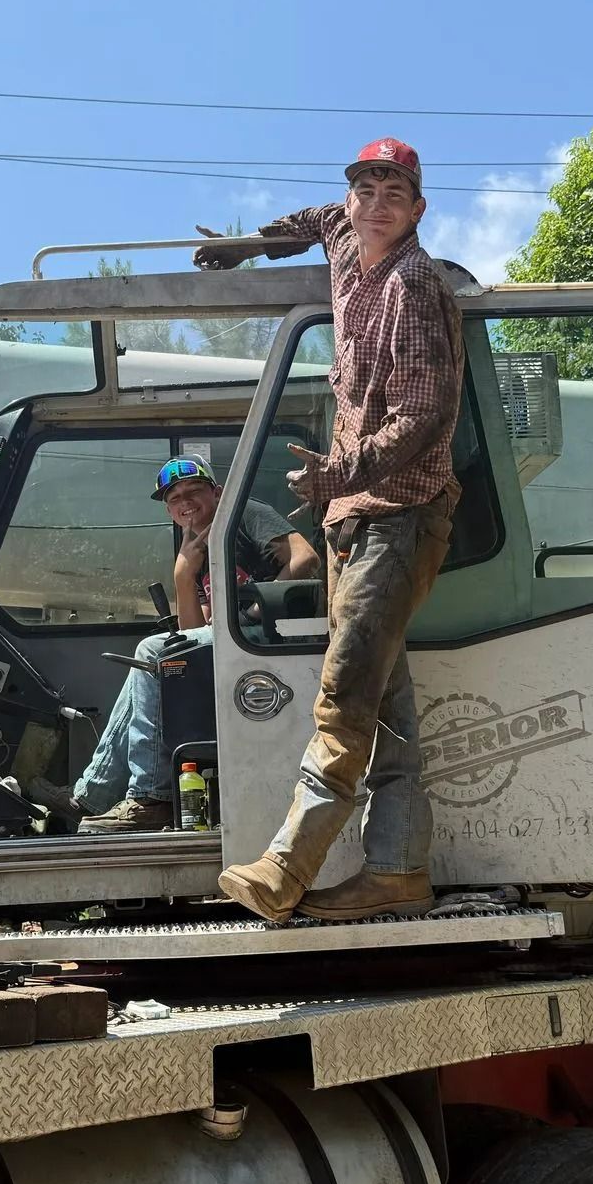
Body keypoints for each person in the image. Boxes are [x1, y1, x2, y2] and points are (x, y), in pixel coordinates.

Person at [195, 138, 465, 923]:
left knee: (345, 698)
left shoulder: (417, 286)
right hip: (354, 522)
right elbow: (312, 219)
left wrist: (338, 477)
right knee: (389, 708)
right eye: (365, 188)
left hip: (397, 517)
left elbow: (423, 416)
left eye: (394, 193)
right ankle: (398, 871)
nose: (375, 203)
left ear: (417, 211)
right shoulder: (346, 239)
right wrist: (248, 247)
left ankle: (284, 869)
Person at [75, 455, 318, 832]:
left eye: (194, 491)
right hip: (231, 643)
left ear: (217, 493)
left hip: (269, 641)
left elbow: (306, 558)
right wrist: (183, 574)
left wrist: (256, 610)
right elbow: (193, 631)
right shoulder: (197, 546)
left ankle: (152, 796)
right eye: (174, 498)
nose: (185, 502)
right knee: (150, 664)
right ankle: (89, 799)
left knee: (151, 650)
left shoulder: (243, 514)